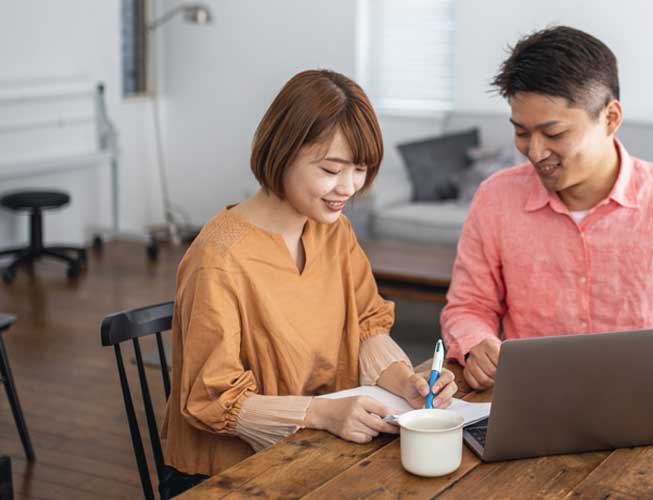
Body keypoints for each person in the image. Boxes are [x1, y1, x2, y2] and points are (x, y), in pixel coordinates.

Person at [441, 26, 653, 427]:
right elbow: (469, 306)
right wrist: (476, 344)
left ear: (610, 118)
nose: (535, 152)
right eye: (522, 132)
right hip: (534, 412)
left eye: (554, 133)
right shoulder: (495, 199)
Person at [160, 69, 457, 496]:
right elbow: (213, 401)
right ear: (281, 152)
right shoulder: (218, 258)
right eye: (332, 169)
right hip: (228, 476)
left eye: (360, 169)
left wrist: (404, 381)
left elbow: (365, 326)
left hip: (315, 454)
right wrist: (323, 414)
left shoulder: (332, 232)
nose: (349, 187)